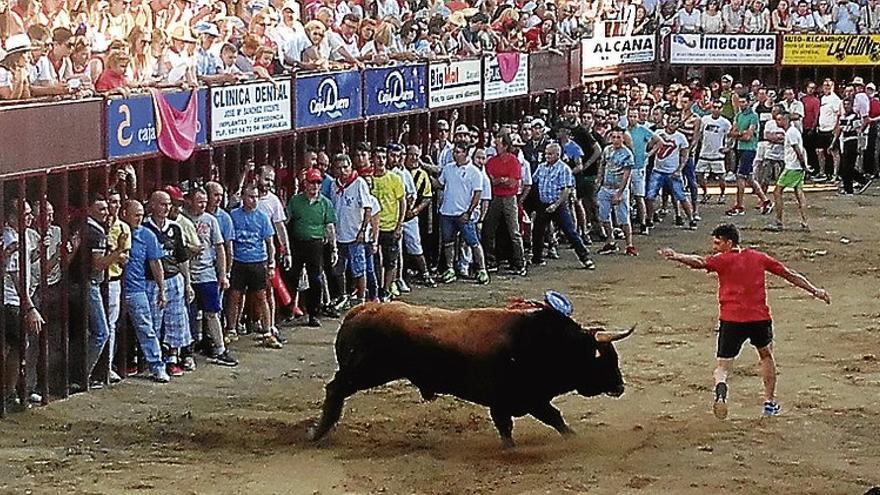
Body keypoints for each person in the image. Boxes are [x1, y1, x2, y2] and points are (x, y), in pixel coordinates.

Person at [659, 223, 830, 419]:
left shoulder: (721, 260)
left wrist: (677, 256)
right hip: (759, 318)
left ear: (728, 243)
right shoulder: (758, 257)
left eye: (717, 243)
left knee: (722, 367)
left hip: (731, 319)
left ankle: (721, 393)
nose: (714, 247)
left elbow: (699, 262)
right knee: (766, 356)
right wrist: (815, 290)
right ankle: (769, 403)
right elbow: (789, 274)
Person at [182, 188, 237, 366]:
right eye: (199, 201)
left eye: (205, 201)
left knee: (212, 313)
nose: (203, 205)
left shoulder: (210, 220)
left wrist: (223, 274)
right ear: (189, 201)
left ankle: (220, 348)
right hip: (187, 274)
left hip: (207, 274)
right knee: (188, 315)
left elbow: (220, 248)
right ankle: (187, 352)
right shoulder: (182, 220)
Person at [120, 200, 169, 383]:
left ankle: (157, 366)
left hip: (136, 288)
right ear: (125, 214)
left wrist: (162, 290)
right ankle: (109, 367)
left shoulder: (147, 235)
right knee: (110, 330)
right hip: (115, 286)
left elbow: (156, 264)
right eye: (135, 215)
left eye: (141, 214)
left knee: (146, 328)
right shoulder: (116, 230)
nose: (139, 218)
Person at [225, 185, 280, 349]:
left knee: (262, 297)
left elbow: (270, 243)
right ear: (243, 197)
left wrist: (271, 263)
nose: (254, 200)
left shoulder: (262, 217)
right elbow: (230, 242)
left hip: (258, 261)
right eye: (250, 197)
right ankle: (231, 328)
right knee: (235, 296)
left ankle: (267, 330)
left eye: (256, 197)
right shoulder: (234, 216)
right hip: (239, 261)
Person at [531, 143, 596, 270]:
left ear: (557, 155)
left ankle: (585, 257)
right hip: (543, 204)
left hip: (558, 205)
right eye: (546, 153)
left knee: (570, 232)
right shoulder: (541, 167)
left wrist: (555, 205)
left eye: (550, 154)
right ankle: (537, 258)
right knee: (537, 232)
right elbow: (534, 181)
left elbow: (566, 190)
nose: (547, 156)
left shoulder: (563, 169)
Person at [286, 168, 336, 327]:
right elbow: (287, 220)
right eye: (311, 182)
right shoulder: (295, 201)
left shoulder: (325, 203)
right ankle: (290, 309)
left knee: (315, 279)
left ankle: (313, 313)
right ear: (305, 184)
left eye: (318, 183)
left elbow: (329, 226)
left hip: (316, 244)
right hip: (298, 242)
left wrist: (333, 247)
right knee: (293, 276)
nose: (315, 186)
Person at [437, 142, 490, 285]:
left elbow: (477, 194)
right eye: (454, 152)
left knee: (473, 242)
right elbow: (440, 184)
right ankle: (450, 269)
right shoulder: (448, 169)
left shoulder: (475, 172)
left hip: (463, 214)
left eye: (458, 152)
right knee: (448, 242)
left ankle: (482, 269)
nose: (455, 154)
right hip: (447, 212)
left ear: (466, 153)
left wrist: (469, 212)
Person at [483, 132, 526, 275]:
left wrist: (500, 180)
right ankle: (491, 261)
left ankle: (520, 263)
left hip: (509, 197)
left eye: (499, 144)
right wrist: (502, 180)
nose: (496, 146)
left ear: (505, 146)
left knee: (514, 231)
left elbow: (513, 182)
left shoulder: (513, 161)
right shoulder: (491, 161)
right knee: (489, 229)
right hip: (495, 197)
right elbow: (490, 180)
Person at [726, 95, 773, 216]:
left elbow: (748, 136)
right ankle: (765, 200)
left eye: (743, 102)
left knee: (741, 176)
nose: (741, 104)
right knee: (750, 177)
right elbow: (731, 132)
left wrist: (738, 134)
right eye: (740, 102)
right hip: (740, 148)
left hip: (749, 149)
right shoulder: (738, 116)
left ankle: (740, 205)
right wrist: (741, 133)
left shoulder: (753, 116)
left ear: (748, 103)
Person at [765, 113, 810, 232]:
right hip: (796, 166)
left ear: (785, 120)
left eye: (779, 120)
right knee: (799, 193)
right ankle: (804, 221)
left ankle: (779, 222)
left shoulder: (791, 133)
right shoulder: (792, 131)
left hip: (793, 167)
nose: (777, 122)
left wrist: (803, 165)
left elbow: (798, 151)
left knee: (777, 192)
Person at [596, 128, 636, 256]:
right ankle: (610, 241)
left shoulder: (627, 154)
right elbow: (602, 165)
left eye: (619, 137)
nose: (616, 140)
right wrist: (599, 179)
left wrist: (619, 193)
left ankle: (629, 244)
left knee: (624, 218)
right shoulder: (607, 150)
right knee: (603, 216)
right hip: (606, 187)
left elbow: (626, 175)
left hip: (619, 188)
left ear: (623, 139)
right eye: (613, 137)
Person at [696, 101, 732, 205]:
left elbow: (730, 136)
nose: (716, 109)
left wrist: (728, 147)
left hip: (718, 154)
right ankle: (705, 192)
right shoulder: (705, 120)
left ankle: (722, 194)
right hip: (704, 153)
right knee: (699, 174)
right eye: (714, 107)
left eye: (718, 107)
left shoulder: (725, 122)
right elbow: (699, 133)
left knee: (721, 176)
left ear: (721, 109)